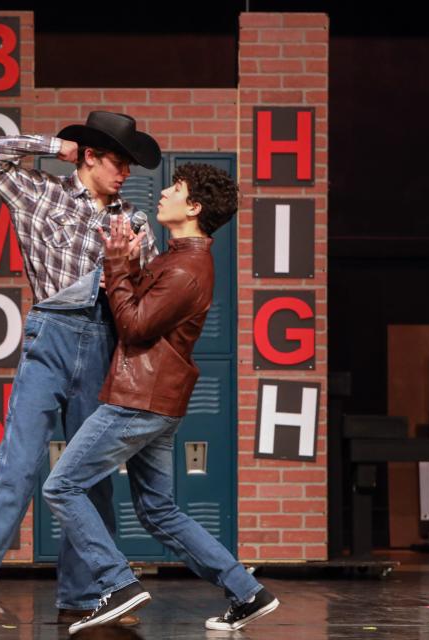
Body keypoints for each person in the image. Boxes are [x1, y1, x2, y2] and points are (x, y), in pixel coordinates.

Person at [0, 112, 161, 631]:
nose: (125, 173)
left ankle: (85, 596)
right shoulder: (41, 193)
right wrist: (55, 147)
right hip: (51, 335)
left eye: (129, 165)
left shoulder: (135, 221)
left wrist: (127, 269)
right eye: (116, 161)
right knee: (16, 466)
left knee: (92, 477)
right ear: (88, 156)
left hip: (106, 342)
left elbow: (147, 300)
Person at [42, 163, 278, 634]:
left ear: (194, 208)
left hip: (138, 399)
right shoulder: (177, 258)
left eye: (175, 188)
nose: (164, 192)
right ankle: (247, 591)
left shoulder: (187, 269)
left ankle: (117, 582)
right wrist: (128, 265)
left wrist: (115, 264)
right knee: (158, 511)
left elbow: (133, 325)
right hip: (155, 399)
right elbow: (140, 310)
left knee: (61, 486)